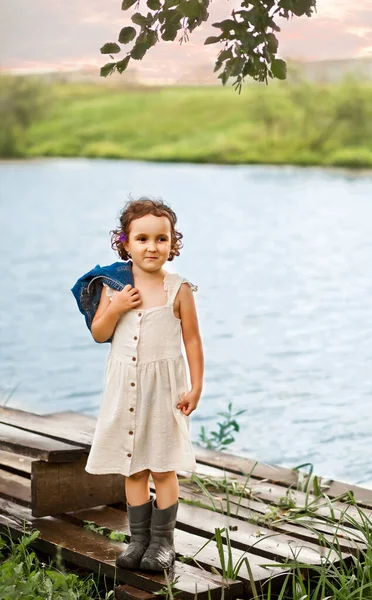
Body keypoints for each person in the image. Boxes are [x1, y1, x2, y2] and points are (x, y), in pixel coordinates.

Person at [71, 197, 204, 572]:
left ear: (172, 244)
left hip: (164, 392)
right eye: (142, 239)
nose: (152, 247)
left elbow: (192, 340)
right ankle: (139, 540)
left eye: (161, 239)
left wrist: (196, 387)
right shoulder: (114, 287)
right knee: (133, 468)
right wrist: (115, 308)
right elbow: (100, 333)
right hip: (125, 388)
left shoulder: (179, 289)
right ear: (125, 243)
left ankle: (163, 543)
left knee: (163, 467)